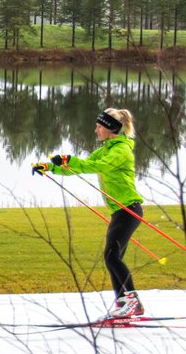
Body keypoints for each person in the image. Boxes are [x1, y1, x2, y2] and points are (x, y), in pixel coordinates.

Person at [32, 108, 145, 320]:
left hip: (129, 210)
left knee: (112, 256)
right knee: (113, 257)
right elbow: (79, 167)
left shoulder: (120, 151)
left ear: (111, 128)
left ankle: (132, 301)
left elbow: (95, 166)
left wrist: (69, 159)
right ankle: (124, 302)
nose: (96, 130)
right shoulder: (106, 149)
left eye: (99, 126)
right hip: (119, 211)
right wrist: (48, 166)